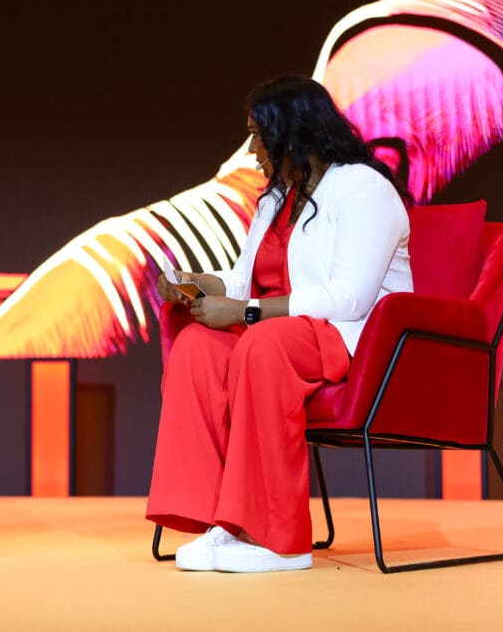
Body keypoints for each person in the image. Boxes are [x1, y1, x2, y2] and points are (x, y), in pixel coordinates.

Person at [146, 74, 413, 573]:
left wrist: (247, 314)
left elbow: (350, 297)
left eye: (257, 133)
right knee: (198, 346)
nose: (250, 150)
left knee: (263, 344)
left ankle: (280, 540)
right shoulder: (274, 201)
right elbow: (246, 282)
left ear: (293, 132)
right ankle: (222, 522)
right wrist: (194, 282)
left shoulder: (363, 188)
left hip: (355, 340)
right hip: (283, 334)